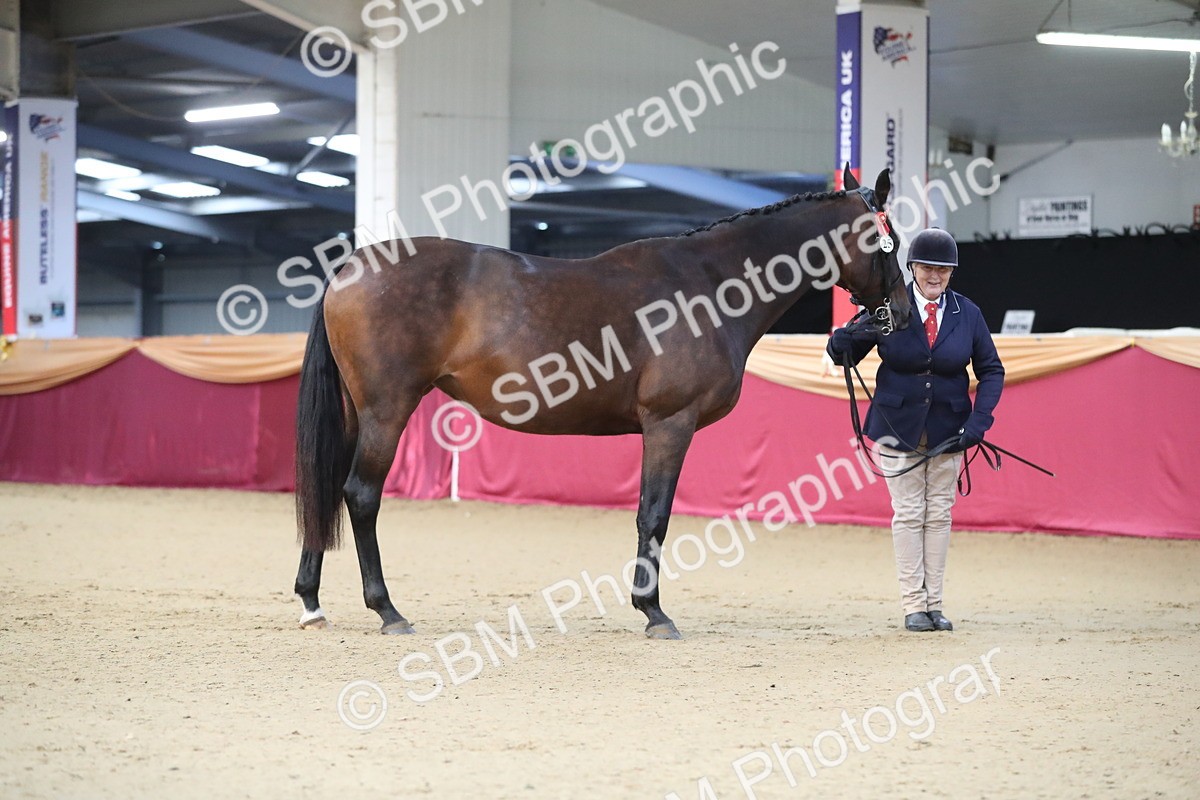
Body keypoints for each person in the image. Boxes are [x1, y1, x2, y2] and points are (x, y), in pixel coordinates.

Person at [827, 228, 1004, 633]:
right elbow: (849, 351)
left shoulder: (968, 314)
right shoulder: (890, 307)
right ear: (911, 267)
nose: (935, 276)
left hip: (950, 428)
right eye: (927, 267)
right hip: (895, 426)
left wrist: (979, 423)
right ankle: (913, 605)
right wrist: (843, 342)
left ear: (951, 273)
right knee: (909, 514)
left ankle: (935, 605)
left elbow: (991, 370)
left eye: (943, 269)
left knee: (939, 515)